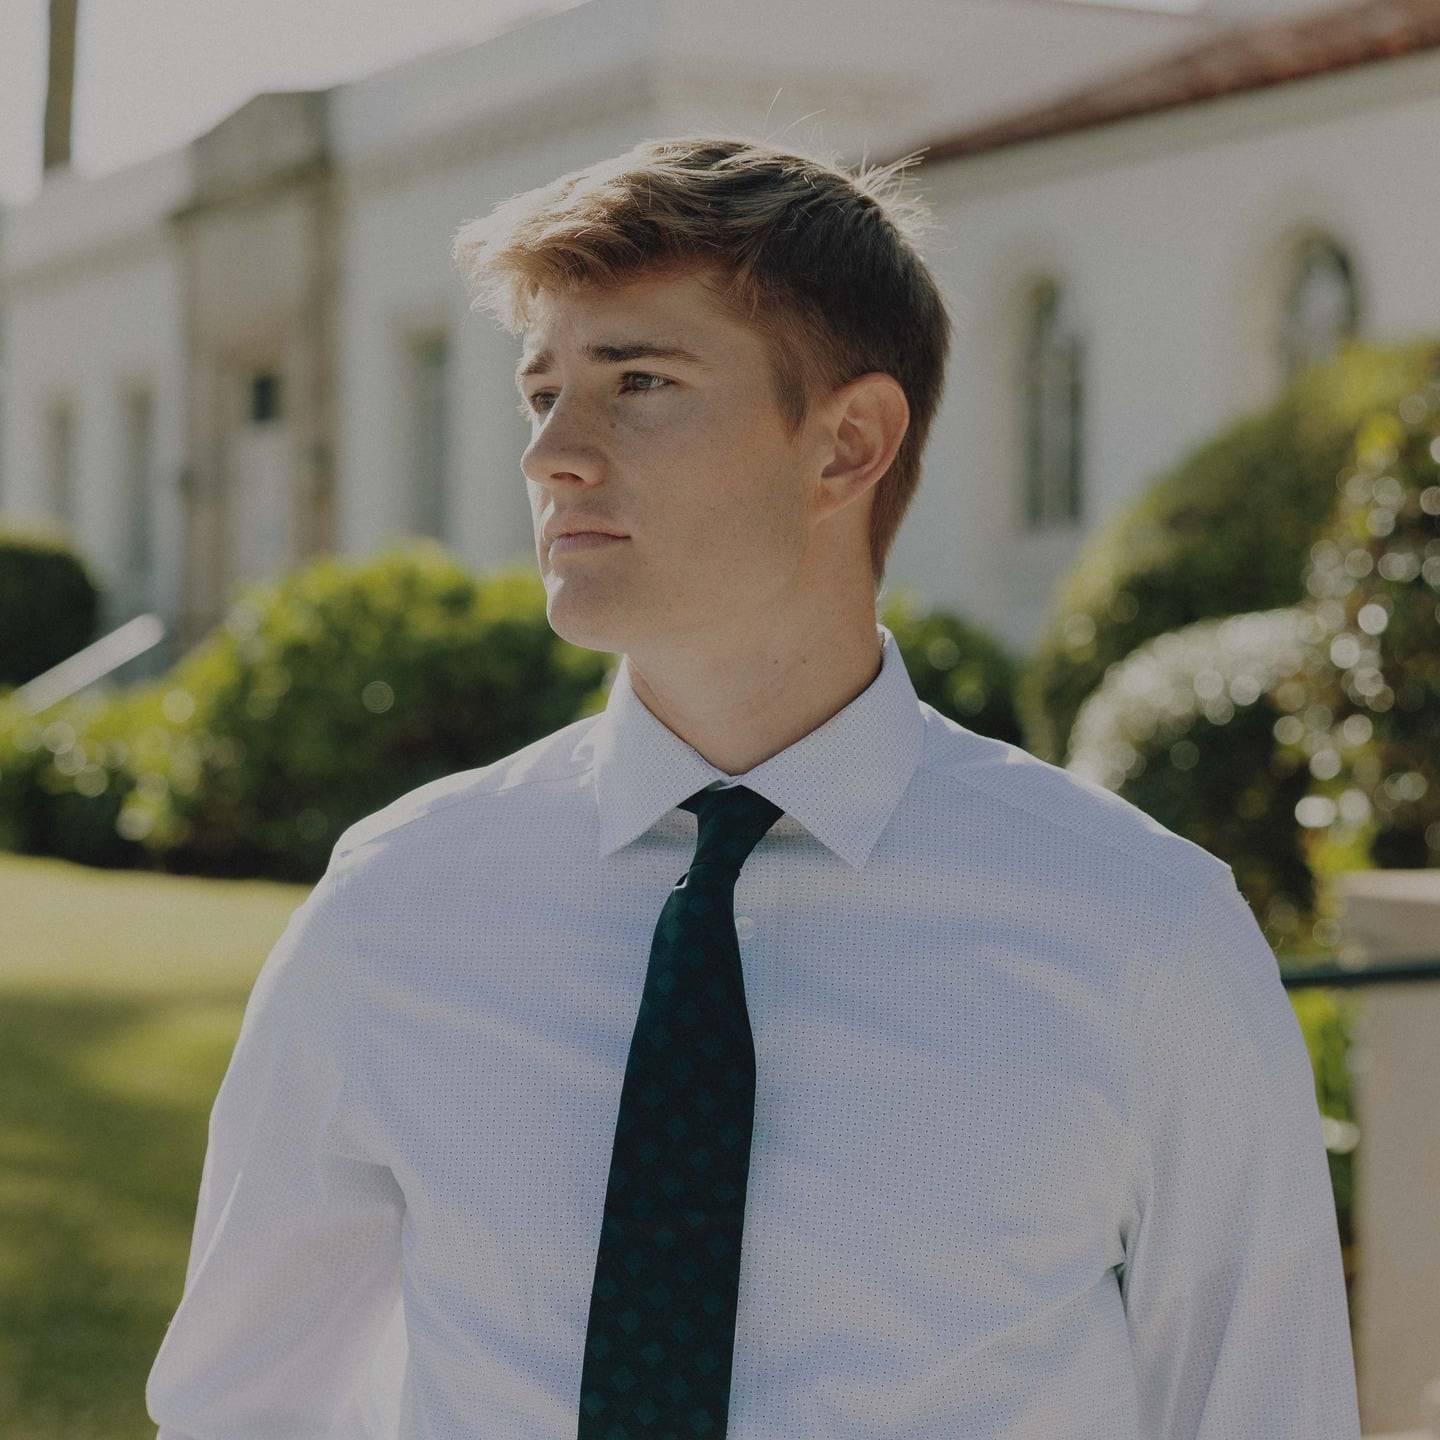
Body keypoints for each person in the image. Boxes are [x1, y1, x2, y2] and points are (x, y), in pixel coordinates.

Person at [146, 133, 1361, 1439]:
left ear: (848, 443)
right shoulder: (397, 906)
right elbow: (242, 1407)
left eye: (640, 381)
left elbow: (1263, 1410)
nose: (552, 453)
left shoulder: (1144, 936)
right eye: (540, 390)